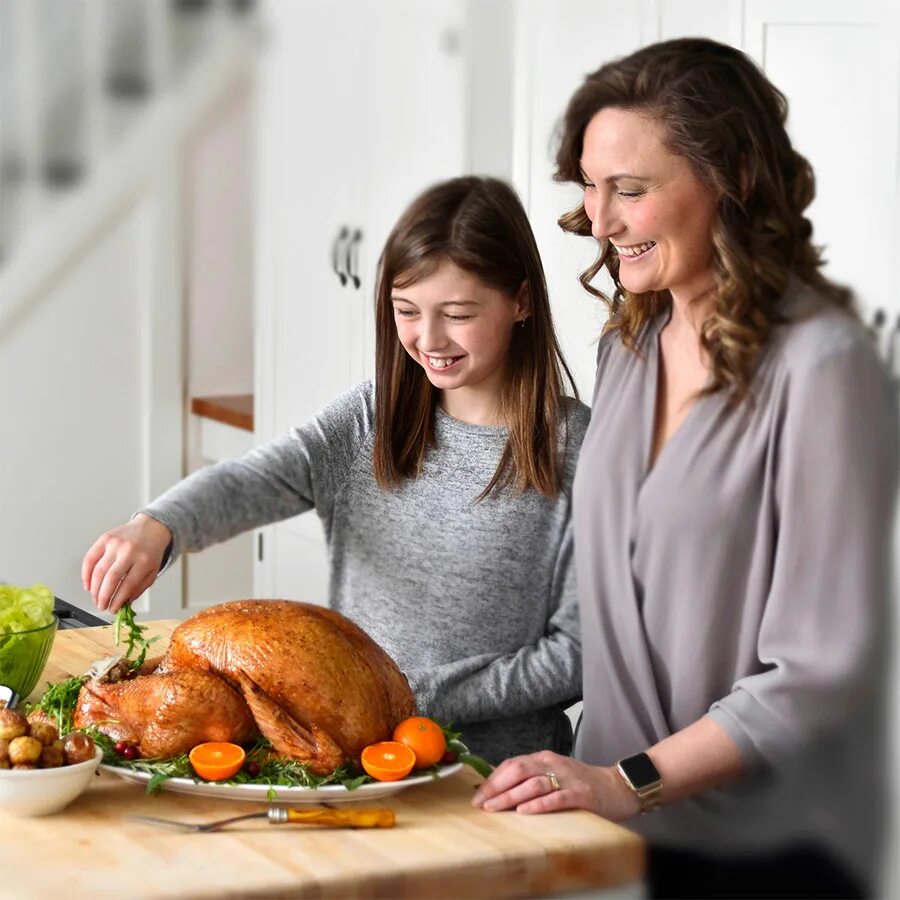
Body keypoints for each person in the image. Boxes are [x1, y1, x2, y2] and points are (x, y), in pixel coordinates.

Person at [471, 38, 898, 898]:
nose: (601, 220)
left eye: (631, 190)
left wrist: (629, 781)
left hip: (761, 851)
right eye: (591, 188)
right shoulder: (627, 345)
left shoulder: (823, 367)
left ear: (733, 173)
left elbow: (820, 671)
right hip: (607, 832)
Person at [81, 176, 589, 765]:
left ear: (521, 301)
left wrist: (400, 698)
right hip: (359, 768)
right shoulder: (374, 415)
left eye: (458, 313)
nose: (429, 339)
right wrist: (157, 525)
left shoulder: (580, 449)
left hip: (500, 776)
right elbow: (256, 480)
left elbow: (579, 655)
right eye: (407, 311)